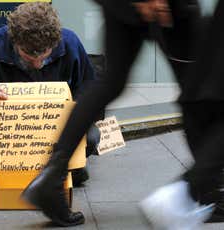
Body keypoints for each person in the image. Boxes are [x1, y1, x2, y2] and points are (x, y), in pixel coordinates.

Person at [21, 0, 214, 228]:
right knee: (195, 85)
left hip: (122, 6)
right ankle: (209, 189)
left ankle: (52, 177)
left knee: (111, 82)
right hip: (162, 6)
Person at [0, 2, 101, 185]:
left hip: (53, 135)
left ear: (55, 41)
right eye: (28, 56)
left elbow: (89, 91)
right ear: (14, 40)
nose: (37, 63)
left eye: (44, 55)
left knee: (92, 135)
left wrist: (73, 107)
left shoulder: (70, 43)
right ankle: (61, 167)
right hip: (7, 137)